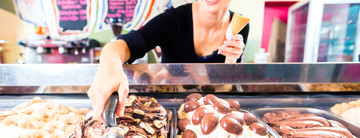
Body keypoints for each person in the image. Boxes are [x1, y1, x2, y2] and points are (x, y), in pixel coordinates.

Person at [88, 0, 249, 121]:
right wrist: (109, 67)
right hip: (167, 111)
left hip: (213, 116)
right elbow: (124, 45)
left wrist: (232, 60)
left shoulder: (240, 26)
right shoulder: (173, 20)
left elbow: (226, 89)